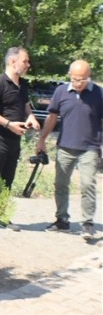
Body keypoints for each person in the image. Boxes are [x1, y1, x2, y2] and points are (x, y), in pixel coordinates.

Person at [35, 60, 102, 240]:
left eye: (81, 79)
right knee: (61, 184)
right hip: (65, 146)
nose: (77, 83)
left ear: (89, 77)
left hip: (90, 147)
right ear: (69, 75)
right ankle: (62, 220)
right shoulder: (61, 92)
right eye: (74, 79)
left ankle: (87, 223)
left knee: (88, 184)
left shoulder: (98, 93)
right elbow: (51, 117)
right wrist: (42, 139)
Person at [0, 46, 40, 232]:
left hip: (14, 141)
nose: (28, 65)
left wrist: (30, 116)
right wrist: (8, 124)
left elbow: (25, 105)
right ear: (12, 61)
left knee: (7, 180)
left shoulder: (22, 84)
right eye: (25, 61)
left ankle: (0, 216)